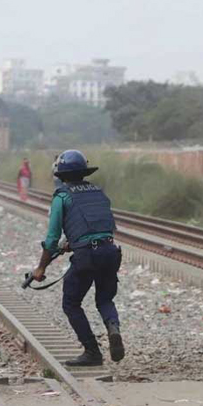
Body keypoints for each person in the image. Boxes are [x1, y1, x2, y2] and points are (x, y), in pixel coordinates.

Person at [30, 150, 124, 367]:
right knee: (105, 300)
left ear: (61, 174)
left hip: (87, 256)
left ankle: (92, 352)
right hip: (110, 252)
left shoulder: (62, 196)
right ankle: (113, 328)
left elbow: (52, 239)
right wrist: (73, 242)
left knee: (71, 303)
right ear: (84, 171)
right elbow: (101, 227)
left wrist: (41, 268)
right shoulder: (98, 193)